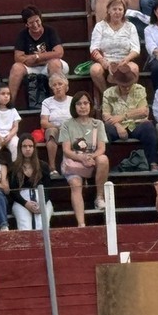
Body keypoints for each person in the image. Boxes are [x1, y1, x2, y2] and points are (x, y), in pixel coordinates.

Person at [59, 91, 109, 225]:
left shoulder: (98, 124)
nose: (83, 106)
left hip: (92, 160)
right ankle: (81, 224)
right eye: (79, 104)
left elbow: (101, 148)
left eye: (85, 103)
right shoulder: (67, 124)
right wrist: (82, 159)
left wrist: (90, 157)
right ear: (74, 107)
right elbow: (66, 150)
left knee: (103, 159)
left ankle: (99, 198)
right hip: (74, 161)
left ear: (90, 105)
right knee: (75, 184)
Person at [8, 6, 69, 109]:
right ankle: (9, 105)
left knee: (54, 63)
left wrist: (37, 57)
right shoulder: (22, 35)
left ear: (41, 19)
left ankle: (58, 103)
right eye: (31, 23)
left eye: (37, 21)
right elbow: (18, 57)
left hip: (50, 65)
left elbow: (59, 52)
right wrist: (38, 60)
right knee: (16, 68)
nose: (35, 25)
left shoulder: (50, 31)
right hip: (32, 67)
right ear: (26, 24)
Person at [102, 72, 158, 171]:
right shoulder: (108, 93)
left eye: (129, 85)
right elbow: (106, 115)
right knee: (105, 128)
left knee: (149, 126)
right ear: (117, 83)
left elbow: (143, 111)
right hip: (116, 127)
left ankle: (153, 163)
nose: (127, 88)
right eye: (123, 86)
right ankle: (107, 166)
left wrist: (122, 117)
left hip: (136, 125)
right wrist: (118, 125)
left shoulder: (139, 89)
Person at [89, 0, 141, 96]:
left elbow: (136, 49)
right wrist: (103, 61)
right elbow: (94, 48)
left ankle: (128, 96)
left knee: (134, 68)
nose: (117, 12)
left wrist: (126, 60)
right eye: (114, 9)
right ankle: (107, 96)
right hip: (105, 61)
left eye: (120, 9)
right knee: (95, 70)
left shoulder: (130, 26)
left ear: (124, 11)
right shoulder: (100, 26)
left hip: (125, 60)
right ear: (108, 10)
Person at [9, 133, 53, 231]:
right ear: (20, 148)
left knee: (42, 225)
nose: (28, 149)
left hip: (42, 198)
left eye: (30, 146)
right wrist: (26, 204)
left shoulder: (43, 166)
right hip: (21, 201)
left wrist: (42, 203)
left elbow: (48, 188)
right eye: (24, 146)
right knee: (25, 226)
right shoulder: (13, 167)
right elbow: (13, 191)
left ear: (34, 148)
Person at [40, 73, 72, 177]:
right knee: (51, 132)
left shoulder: (73, 100)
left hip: (71, 129)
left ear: (66, 86)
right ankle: (52, 168)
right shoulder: (47, 102)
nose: (57, 87)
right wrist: (58, 127)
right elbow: (43, 122)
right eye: (54, 85)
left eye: (60, 84)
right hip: (55, 129)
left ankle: (69, 167)